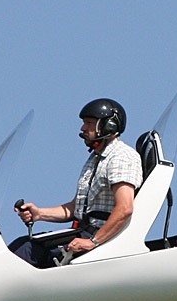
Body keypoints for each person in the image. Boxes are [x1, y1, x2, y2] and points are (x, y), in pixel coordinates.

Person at [14, 98, 143, 267]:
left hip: (99, 240)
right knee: (21, 246)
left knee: (27, 251)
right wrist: (39, 214)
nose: (83, 128)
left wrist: (93, 242)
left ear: (109, 126)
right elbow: (76, 208)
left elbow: (125, 208)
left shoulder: (122, 157)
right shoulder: (96, 159)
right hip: (83, 234)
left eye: (89, 123)